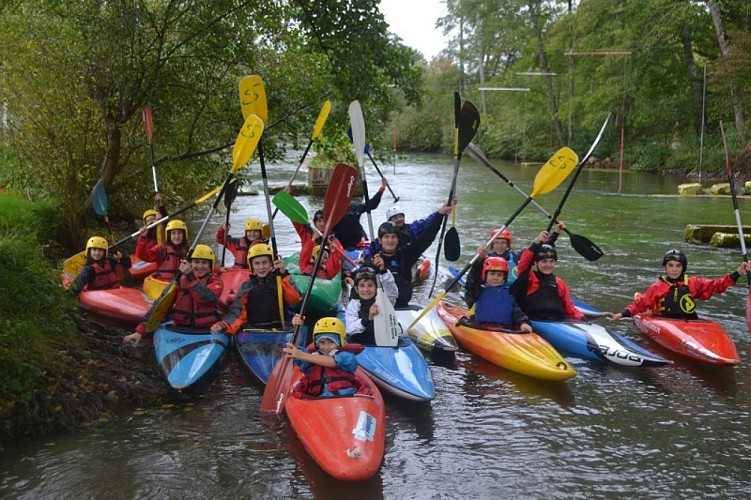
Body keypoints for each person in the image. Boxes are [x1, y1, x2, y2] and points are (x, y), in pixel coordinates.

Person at [606, 249, 751, 321]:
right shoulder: (657, 287)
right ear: (665, 268)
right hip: (665, 321)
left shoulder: (693, 282)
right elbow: (640, 304)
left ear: (683, 268)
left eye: (678, 266)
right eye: (671, 265)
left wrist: (739, 272)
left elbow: (717, 285)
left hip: (690, 322)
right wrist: (620, 314)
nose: (674, 269)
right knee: (647, 305)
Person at [124, 244, 224, 345]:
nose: (200, 266)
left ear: (210, 265)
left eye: (204, 263)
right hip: (180, 328)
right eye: (196, 262)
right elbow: (161, 305)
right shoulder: (179, 281)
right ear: (190, 264)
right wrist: (140, 331)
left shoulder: (215, 281)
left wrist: (190, 276)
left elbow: (208, 298)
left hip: (207, 329)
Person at [362, 201, 453, 308]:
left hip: (403, 306)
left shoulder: (406, 254)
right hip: (379, 308)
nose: (390, 241)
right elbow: (359, 290)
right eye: (386, 237)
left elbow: (427, 237)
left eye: (393, 237)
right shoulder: (372, 261)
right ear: (380, 241)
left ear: (398, 240)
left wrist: (440, 214)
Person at [210, 244, 302, 333]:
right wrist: (223, 325)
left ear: (271, 263)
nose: (261, 267)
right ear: (252, 265)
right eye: (257, 263)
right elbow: (237, 312)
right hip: (254, 330)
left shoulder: (280, 280)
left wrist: (283, 273)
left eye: (265, 262)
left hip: (281, 329)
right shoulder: (247, 286)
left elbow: (295, 298)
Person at [511, 225, 584, 322]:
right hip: (536, 321)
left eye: (551, 261)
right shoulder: (530, 278)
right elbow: (524, 262)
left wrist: (584, 320)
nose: (548, 265)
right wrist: (536, 242)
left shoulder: (559, 283)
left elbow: (568, 307)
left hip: (556, 322)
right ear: (536, 263)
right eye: (544, 261)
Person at [284, 317, 370, 398]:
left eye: (331, 342)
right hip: (317, 401)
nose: (326, 347)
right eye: (322, 342)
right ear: (317, 343)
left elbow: (333, 362)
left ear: (340, 341)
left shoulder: (347, 357)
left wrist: (302, 355)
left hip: (346, 397)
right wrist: (297, 328)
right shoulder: (310, 358)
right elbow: (294, 348)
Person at [463, 255, 533, 332]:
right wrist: (479, 260)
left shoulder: (508, 294)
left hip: (504, 331)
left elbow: (517, 313)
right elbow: (472, 280)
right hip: (479, 328)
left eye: (500, 275)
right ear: (485, 274)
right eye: (492, 274)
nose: (495, 278)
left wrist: (524, 322)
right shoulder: (475, 291)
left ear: (504, 277)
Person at [345, 262, 399, 345]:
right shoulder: (354, 305)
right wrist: (368, 318)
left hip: (385, 343)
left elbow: (392, 292)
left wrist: (383, 271)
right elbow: (350, 329)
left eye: (370, 285)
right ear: (356, 289)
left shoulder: (384, 301)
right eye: (362, 286)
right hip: (361, 344)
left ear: (376, 287)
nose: (366, 290)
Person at [332, 177, 388, 250]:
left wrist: (382, 188)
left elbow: (372, 204)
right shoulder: (332, 213)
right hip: (340, 246)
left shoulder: (354, 209)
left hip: (358, 244)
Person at [290, 209, 344, 280]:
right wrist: (313, 239)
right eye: (319, 221)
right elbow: (296, 221)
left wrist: (334, 251)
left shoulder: (333, 241)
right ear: (315, 223)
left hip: (325, 273)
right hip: (307, 267)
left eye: (324, 221)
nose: (322, 224)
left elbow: (339, 261)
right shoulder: (307, 234)